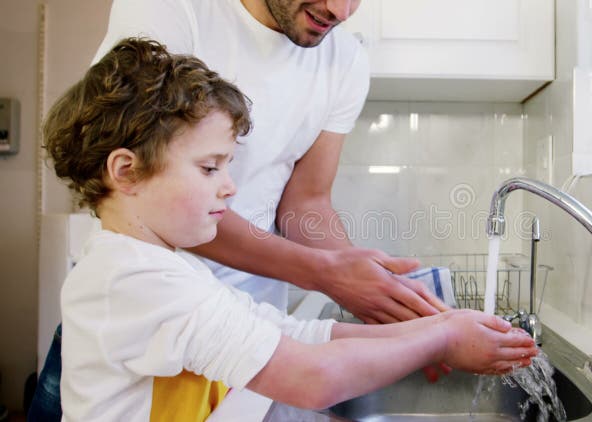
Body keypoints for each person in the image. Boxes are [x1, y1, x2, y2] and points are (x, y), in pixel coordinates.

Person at [43, 38, 538, 422]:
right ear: (126, 172)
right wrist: (439, 341)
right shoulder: (132, 279)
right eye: (210, 168)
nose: (230, 188)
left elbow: (294, 334)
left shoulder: (162, 265)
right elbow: (313, 376)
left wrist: (432, 326)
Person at [92, 0, 445, 324]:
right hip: (144, 318)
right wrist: (324, 272)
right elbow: (150, 190)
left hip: (252, 327)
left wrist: (377, 290)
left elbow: (306, 203)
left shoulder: (346, 60)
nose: (341, 11)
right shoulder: (173, 9)